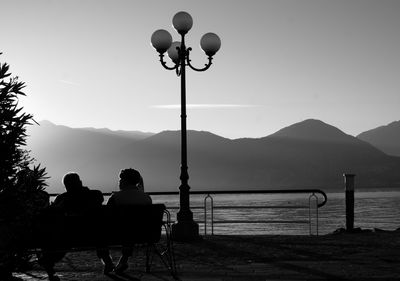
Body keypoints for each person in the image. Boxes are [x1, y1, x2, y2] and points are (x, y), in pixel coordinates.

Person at [38, 172, 104, 281]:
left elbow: (52, 212)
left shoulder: (62, 199)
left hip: (68, 237)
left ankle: (49, 267)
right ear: (80, 182)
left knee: (57, 235)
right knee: (99, 227)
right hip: (95, 235)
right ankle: (107, 261)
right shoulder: (96, 195)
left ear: (66, 186)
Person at [99, 168, 152, 274]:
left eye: (120, 179)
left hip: (118, 234)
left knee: (99, 233)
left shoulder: (116, 197)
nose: (119, 182)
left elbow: (106, 218)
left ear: (125, 181)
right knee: (131, 228)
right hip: (143, 234)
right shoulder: (147, 198)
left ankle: (108, 262)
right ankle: (123, 261)